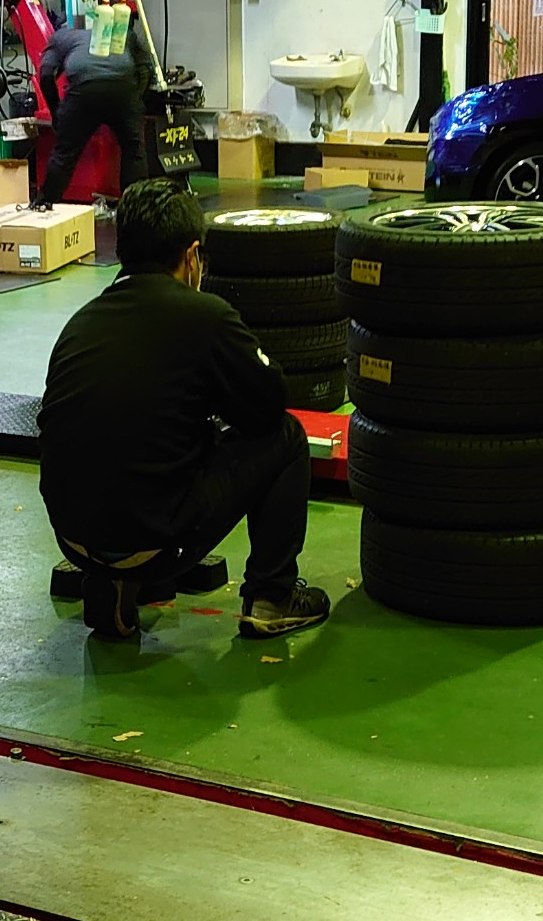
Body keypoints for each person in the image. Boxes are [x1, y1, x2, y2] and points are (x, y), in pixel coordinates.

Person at [39, 181, 332, 642]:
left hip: (73, 538)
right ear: (193, 256)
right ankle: (271, 597)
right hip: (156, 541)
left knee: (136, 449)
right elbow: (268, 404)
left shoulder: (82, 322)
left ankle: (112, 579)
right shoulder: (207, 316)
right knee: (286, 436)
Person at [32, 7, 156, 208]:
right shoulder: (123, 34)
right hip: (123, 87)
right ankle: (136, 207)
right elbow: (145, 69)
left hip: (83, 90)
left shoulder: (60, 37)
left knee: (65, 153)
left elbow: (46, 75)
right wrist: (136, 102)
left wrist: (57, 114)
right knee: (133, 149)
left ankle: (44, 204)